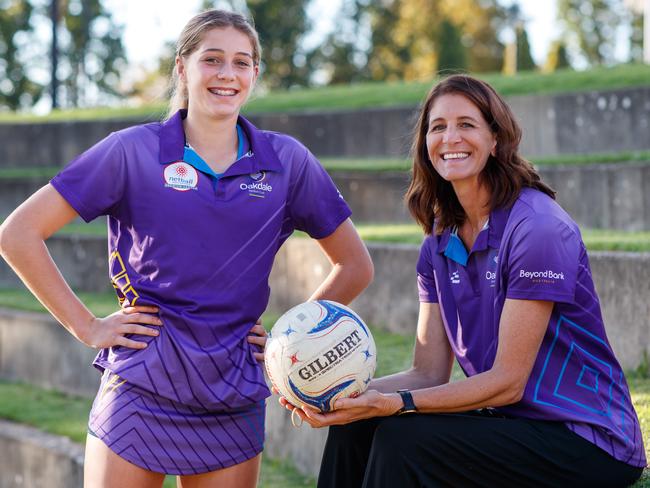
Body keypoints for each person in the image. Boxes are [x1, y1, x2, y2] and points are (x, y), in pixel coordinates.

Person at [0, 9, 373, 488]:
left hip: (233, 389)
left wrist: (291, 337)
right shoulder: (129, 151)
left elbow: (354, 265)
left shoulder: (287, 162)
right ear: (183, 66)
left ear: (255, 74)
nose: (227, 74)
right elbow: (17, 234)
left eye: (242, 63)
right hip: (141, 382)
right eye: (212, 59)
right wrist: (87, 325)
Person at [281, 74, 646, 488]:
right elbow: (428, 372)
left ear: (496, 139)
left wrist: (391, 404)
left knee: (404, 439)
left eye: (467, 125)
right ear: (425, 145)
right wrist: (338, 397)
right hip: (513, 422)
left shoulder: (537, 229)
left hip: (587, 438)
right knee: (355, 426)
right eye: (438, 127)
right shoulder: (439, 239)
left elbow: (508, 382)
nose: (450, 137)